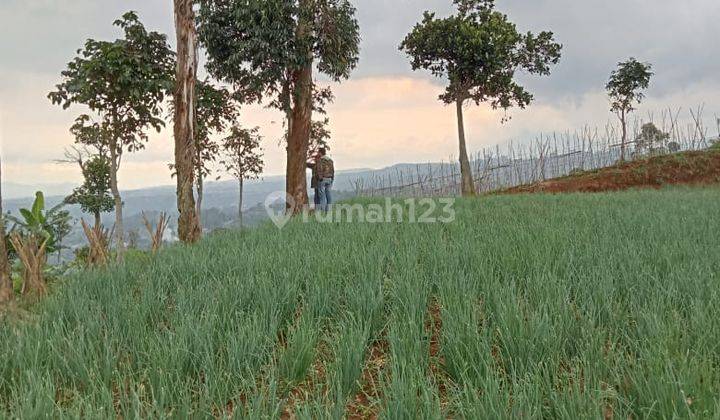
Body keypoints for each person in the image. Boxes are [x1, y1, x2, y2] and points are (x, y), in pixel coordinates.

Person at [316, 147, 335, 212]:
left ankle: (322, 212)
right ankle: (329, 211)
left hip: (323, 179)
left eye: (318, 152)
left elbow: (319, 170)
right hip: (330, 179)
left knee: (322, 197)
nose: (317, 153)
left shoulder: (320, 160)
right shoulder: (330, 160)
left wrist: (320, 178)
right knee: (329, 195)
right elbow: (332, 170)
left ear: (320, 153)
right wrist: (332, 178)